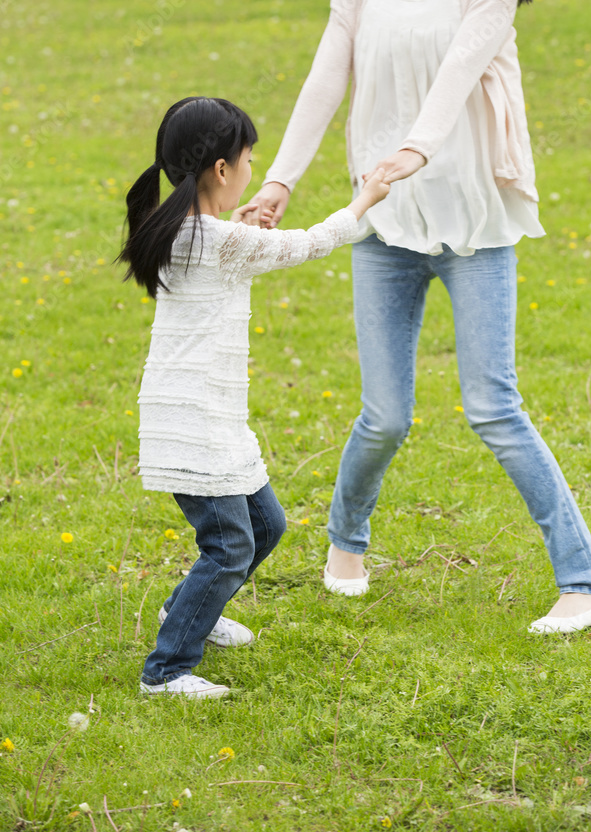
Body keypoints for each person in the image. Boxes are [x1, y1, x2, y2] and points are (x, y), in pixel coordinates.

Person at [252, 0, 591, 634]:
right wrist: (280, 179)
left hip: (473, 216)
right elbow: (325, 78)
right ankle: (346, 543)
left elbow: (461, 65)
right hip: (381, 219)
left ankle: (584, 583)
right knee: (383, 415)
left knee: (492, 406)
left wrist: (416, 145)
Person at [118, 96, 392, 697]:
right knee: (230, 544)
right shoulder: (213, 238)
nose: (251, 167)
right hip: (194, 421)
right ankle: (166, 672)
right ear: (222, 169)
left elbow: (225, 256)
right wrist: (364, 200)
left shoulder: (187, 228)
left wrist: (239, 228)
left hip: (206, 414)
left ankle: (187, 611)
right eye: (248, 159)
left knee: (264, 525)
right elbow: (307, 244)